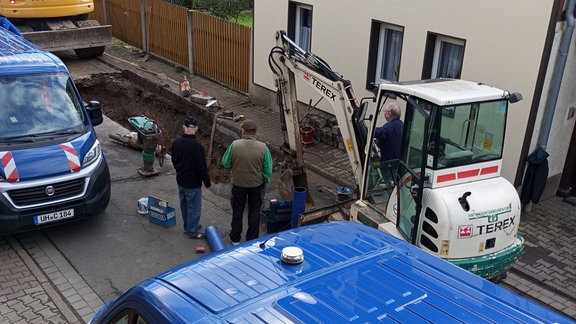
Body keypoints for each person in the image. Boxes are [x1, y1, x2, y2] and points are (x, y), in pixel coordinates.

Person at [222, 120, 273, 245]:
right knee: (254, 211)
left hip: (238, 184)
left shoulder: (234, 145)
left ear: (243, 131)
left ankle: (235, 238)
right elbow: (268, 169)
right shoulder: (263, 148)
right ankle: (252, 239)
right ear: (254, 133)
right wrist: (264, 181)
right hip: (256, 185)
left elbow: (226, 163)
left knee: (238, 211)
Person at [171, 117, 211, 239]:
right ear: (196, 129)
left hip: (181, 179)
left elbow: (174, 160)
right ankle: (192, 231)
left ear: (184, 127)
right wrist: (207, 182)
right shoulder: (197, 147)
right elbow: (201, 168)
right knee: (194, 207)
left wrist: (179, 171)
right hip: (193, 183)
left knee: (184, 204)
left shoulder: (176, 142)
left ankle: (188, 225)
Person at [374, 102, 404, 184]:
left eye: (384, 111)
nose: (384, 113)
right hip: (397, 162)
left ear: (389, 114)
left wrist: (370, 128)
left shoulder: (389, 126)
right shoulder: (402, 125)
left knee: (374, 165)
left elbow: (379, 132)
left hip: (387, 163)